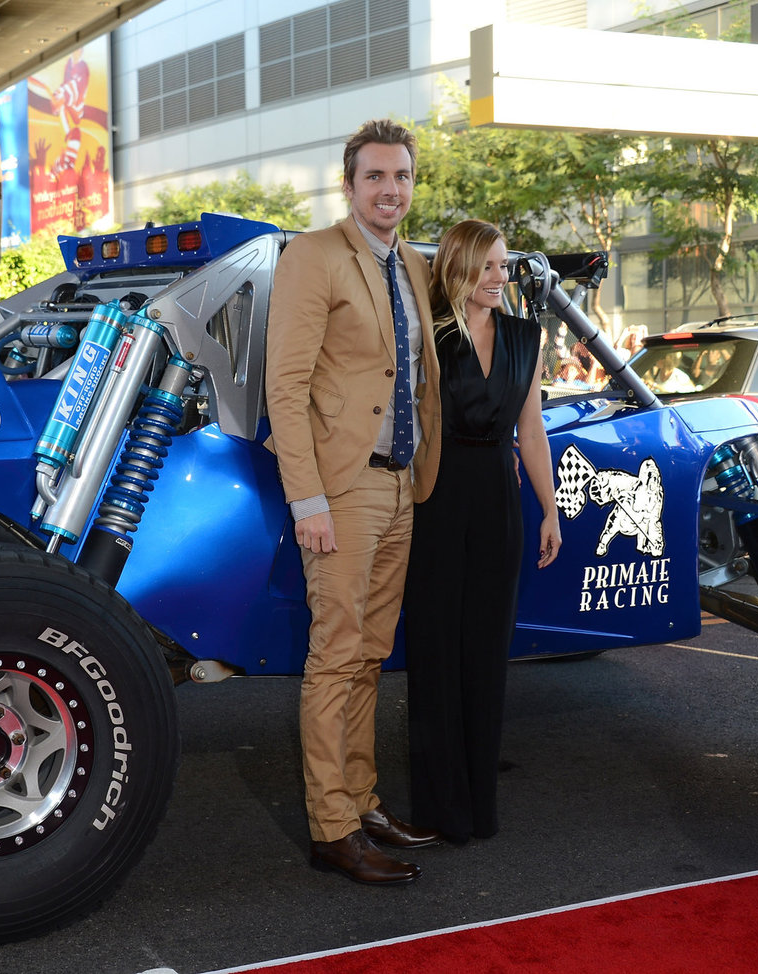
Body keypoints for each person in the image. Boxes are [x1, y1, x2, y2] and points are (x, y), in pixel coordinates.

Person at [265, 118, 443, 886]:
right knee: (335, 658)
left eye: (401, 177)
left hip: (401, 482)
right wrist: (308, 500)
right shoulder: (314, 255)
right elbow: (286, 385)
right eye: (375, 177)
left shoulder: (407, 263)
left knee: (371, 655)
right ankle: (330, 826)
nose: (390, 190)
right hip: (341, 488)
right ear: (349, 184)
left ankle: (362, 799)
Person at [403, 219, 562, 847]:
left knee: (486, 653)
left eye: (504, 267)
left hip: (499, 500)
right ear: (459, 270)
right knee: (437, 653)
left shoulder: (528, 337)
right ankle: (440, 808)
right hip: (438, 500)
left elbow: (532, 430)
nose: (500, 278)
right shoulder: (430, 336)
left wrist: (549, 510)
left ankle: (479, 806)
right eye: (488, 266)